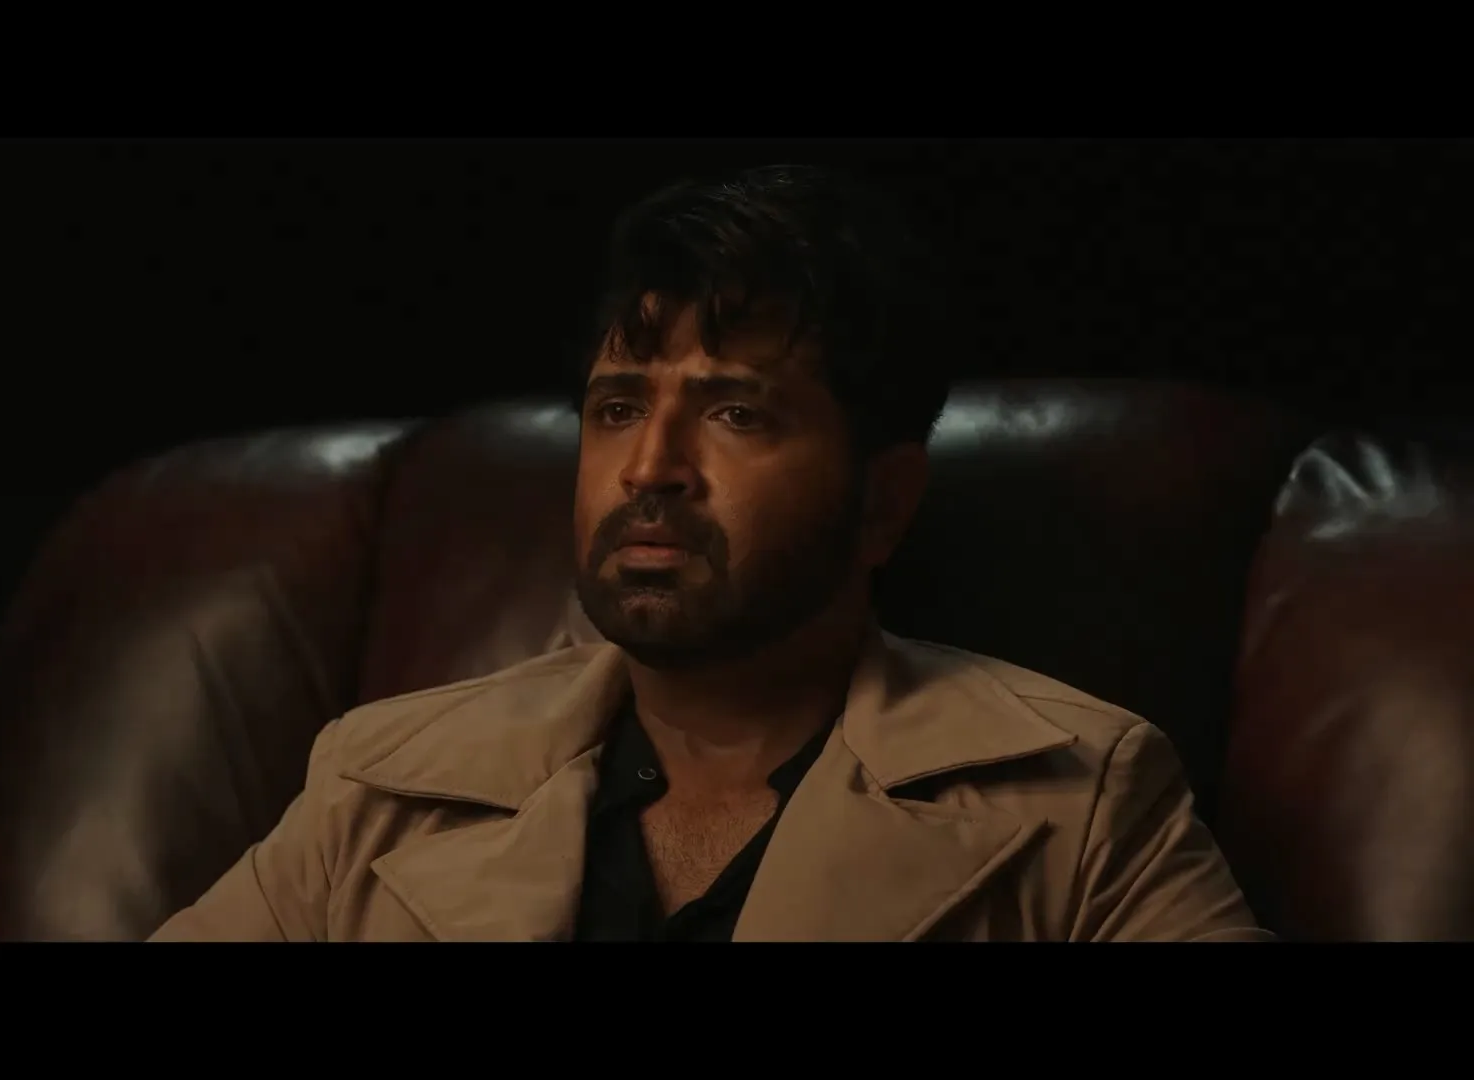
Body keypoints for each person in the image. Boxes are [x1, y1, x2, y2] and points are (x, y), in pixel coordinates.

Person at [149, 164, 1271, 942]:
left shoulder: (1083, 797)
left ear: (883, 501)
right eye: (618, 408)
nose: (650, 468)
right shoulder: (375, 782)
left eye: (736, 413)